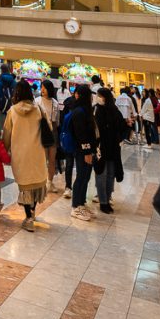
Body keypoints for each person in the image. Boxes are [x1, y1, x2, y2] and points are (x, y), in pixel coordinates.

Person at [3, 79, 48, 232]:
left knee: (25, 186)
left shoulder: (12, 111)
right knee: (35, 184)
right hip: (37, 152)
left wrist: (5, 150)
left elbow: (7, 134)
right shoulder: (39, 110)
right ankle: (32, 212)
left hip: (20, 154)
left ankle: (28, 217)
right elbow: (47, 129)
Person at [70, 83, 98, 221]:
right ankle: (75, 206)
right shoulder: (79, 112)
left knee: (86, 176)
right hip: (82, 150)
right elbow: (81, 134)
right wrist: (87, 151)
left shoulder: (85, 110)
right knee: (81, 176)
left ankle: (81, 203)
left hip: (89, 149)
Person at [94, 87, 123, 214]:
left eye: (99, 95)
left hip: (112, 147)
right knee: (101, 173)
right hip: (101, 146)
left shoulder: (114, 110)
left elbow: (120, 125)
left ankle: (108, 198)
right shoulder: (97, 109)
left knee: (111, 173)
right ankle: (103, 201)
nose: (97, 97)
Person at [36, 79, 60, 192]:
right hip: (41, 133)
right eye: (41, 87)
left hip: (53, 133)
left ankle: (50, 182)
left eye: (44, 88)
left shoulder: (55, 103)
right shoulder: (37, 101)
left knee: (52, 159)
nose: (42, 90)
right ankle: (42, 182)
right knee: (42, 159)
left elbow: (57, 121)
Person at [0, 62, 16, 129]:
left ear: (1, 70)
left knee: (1, 126)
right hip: (11, 106)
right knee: (10, 126)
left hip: (0, 105)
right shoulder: (13, 81)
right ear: (9, 70)